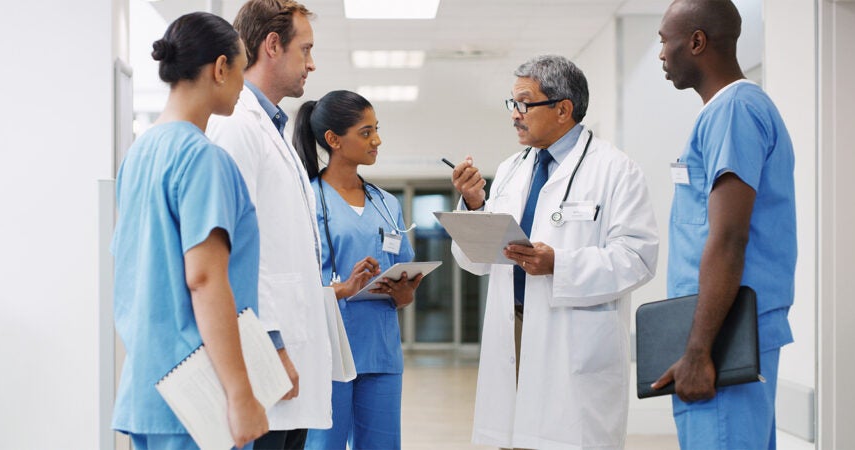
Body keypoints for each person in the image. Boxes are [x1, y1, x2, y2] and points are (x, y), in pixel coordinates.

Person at [449, 55, 659, 449]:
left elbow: (638, 257)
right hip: (512, 326)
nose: (515, 115)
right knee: (511, 438)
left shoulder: (615, 170)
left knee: (566, 437)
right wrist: (476, 205)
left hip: (572, 335)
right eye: (512, 104)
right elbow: (477, 261)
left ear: (563, 109)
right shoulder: (512, 168)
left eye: (524, 103)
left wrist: (559, 264)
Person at [205, 1, 366, 449]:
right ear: (272, 45)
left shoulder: (270, 128)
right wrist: (269, 345)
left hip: (286, 360)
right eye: (305, 50)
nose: (312, 65)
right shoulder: (236, 127)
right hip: (264, 361)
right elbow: (229, 253)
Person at [111, 12, 267, 450]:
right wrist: (240, 393)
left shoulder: (138, 156)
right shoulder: (203, 159)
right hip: (198, 395)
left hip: (148, 385)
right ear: (220, 68)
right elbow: (204, 279)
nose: (242, 86)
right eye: (240, 71)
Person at [649, 1, 798, 449]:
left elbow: (730, 237)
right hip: (726, 333)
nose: (661, 54)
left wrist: (698, 351)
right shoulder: (725, 112)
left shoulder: (735, 111)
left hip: (722, 340)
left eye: (664, 41)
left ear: (696, 42)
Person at [294, 90, 422, 450]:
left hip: (380, 352)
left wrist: (405, 292)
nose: (376, 140)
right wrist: (343, 288)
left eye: (376, 130)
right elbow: (297, 283)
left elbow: (404, 273)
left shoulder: (386, 203)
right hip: (330, 351)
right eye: (366, 133)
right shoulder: (307, 200)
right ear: (334, 140)